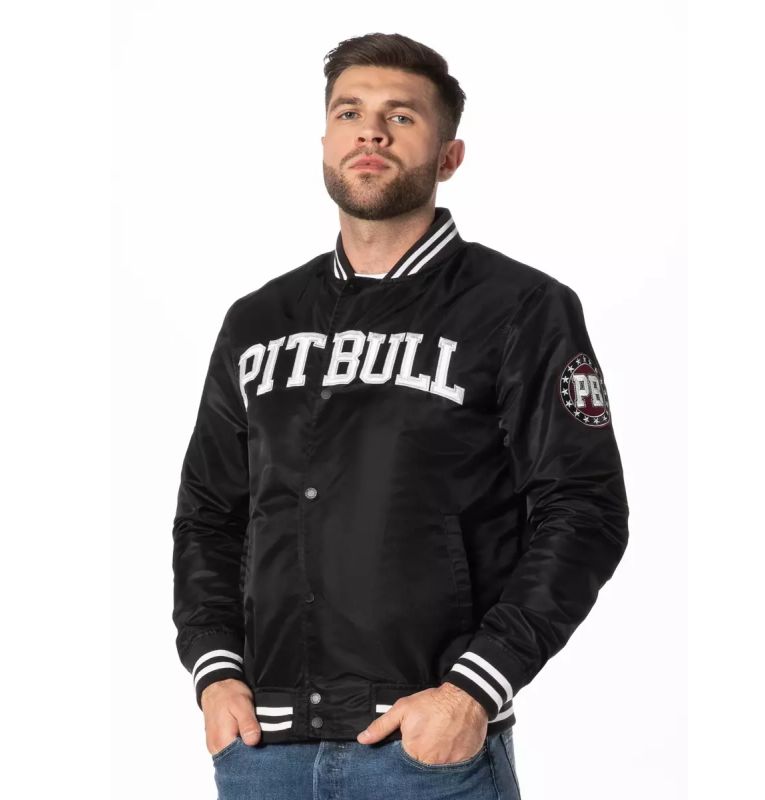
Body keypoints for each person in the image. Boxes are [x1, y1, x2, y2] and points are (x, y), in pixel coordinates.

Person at [172, 31, 629, 800]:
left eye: (402, 116)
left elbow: (584, 509)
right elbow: (209, 513)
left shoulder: (520, 307)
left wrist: (474, 689)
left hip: (424, 754)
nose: (372, 132)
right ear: (326, 142)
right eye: (349, 112)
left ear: (449, 156)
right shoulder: (258, 320)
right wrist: (215, 674)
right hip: (263, 753)